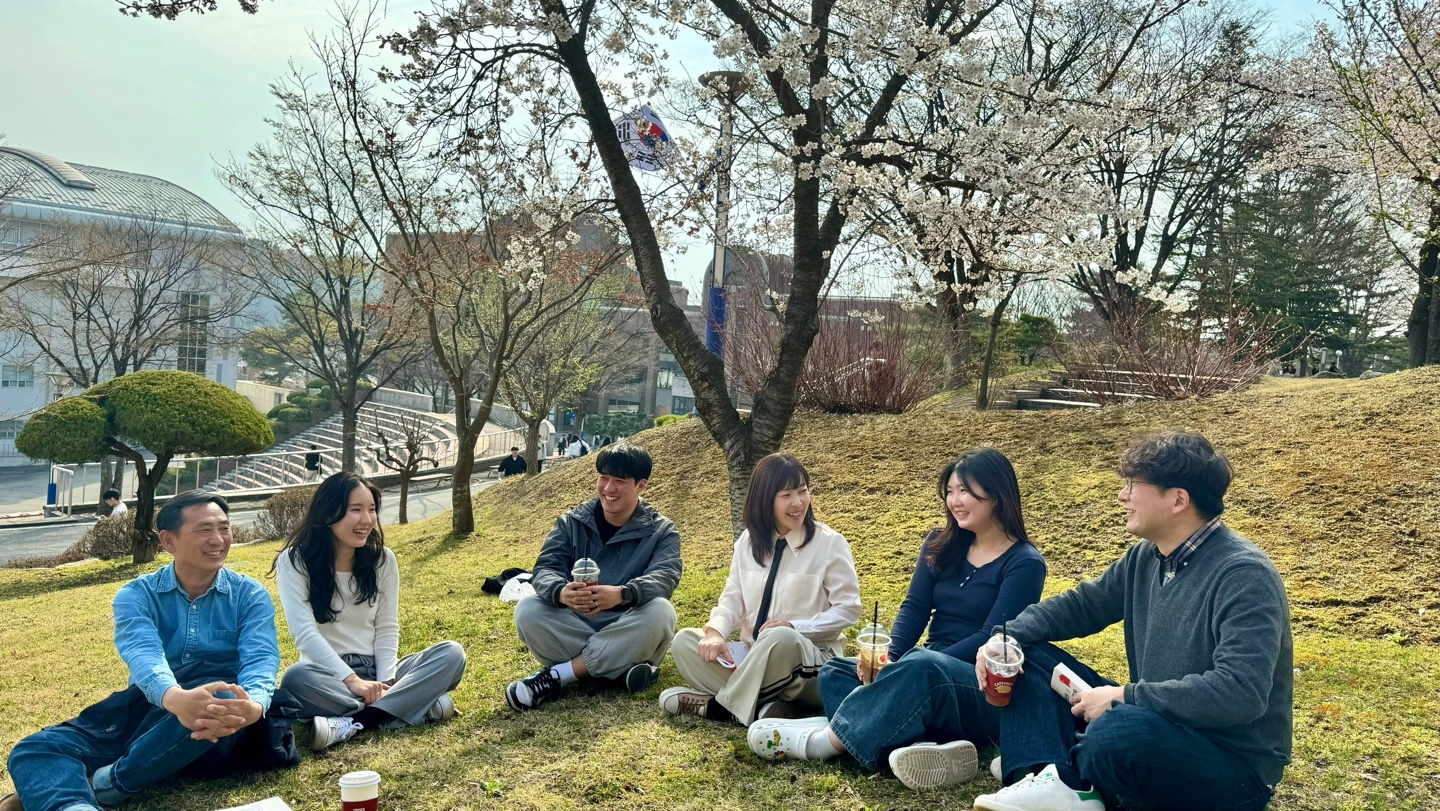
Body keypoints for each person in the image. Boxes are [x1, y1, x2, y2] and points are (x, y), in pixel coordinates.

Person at [968, 431, 1291, 811]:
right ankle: (1055, 779)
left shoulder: (1244, 574)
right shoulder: (1146, 557)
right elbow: (1081, 606)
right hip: (1158, 722)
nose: (1123, 495)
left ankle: (1058, 772)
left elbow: (1240, 693)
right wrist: (1005, 638)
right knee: (1028, 654)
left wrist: (1126, 697)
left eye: (1134, 486)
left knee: (1116, 732)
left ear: (1178, 500)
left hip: (1231, 765)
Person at [748, 449, 1046, 791]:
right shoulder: (940, 543)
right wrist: (888, 659)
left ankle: (822, 743)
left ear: (996, 495)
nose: (954, 501)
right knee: (836, 671)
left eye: (964, 491)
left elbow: (988, 637)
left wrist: (906, 668)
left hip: (979, 685)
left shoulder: (1024, 563)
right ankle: (917, 748)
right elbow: (915, 607)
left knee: (921, 666)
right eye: (950, 491)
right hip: (925, 670)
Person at [3, 492, 281, 811]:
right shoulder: (137, 595)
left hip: (217, 730)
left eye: (224, 528)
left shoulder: (249, 595)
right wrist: (177, 699)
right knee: (35, 748)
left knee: (220, 699)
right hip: (151, 707)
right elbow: (144, 655)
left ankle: (107, 784)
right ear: (168, 540)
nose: (218, 539)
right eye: (205, 530)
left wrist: (254, 705)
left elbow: (261, 658)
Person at [271, 473, 467, 751]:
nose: (367, 519)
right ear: (328, 513)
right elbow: (304, 634)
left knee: (452, 654)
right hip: (328, 676)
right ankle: (415, 706)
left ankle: (356, 722)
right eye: (356, 510)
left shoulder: (382, 559)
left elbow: (387, 626)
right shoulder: (294, 561)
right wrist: (353, 682)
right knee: (295, 679)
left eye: (372, 509)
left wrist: (385, 681)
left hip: (379, 669)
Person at [662, 453, 860, 726]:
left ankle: (721, 708)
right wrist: (716, 633)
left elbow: (848, 610)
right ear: (764, 500)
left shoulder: (830, 544)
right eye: (786, 495)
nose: (798, 502)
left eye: (803, 491)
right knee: (686, 642)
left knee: (781, 637)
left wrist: (795, 627)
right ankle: (769, 707)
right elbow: (733, 598)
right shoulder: (747, 542)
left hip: (812, 662)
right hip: (754, 657)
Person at [506, 443, 681, 710]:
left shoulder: (662, 531)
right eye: (603, 478)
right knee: (528, 609)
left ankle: (562, 674)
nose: (608, 488)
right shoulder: (572, 522)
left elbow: (665, 576)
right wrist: (561, 592)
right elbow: (545, 568)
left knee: (661, 611)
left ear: (641, 486)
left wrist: (623, 594)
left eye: (619, 481)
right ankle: (622, 669)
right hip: (575, 622)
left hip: (627, 622)